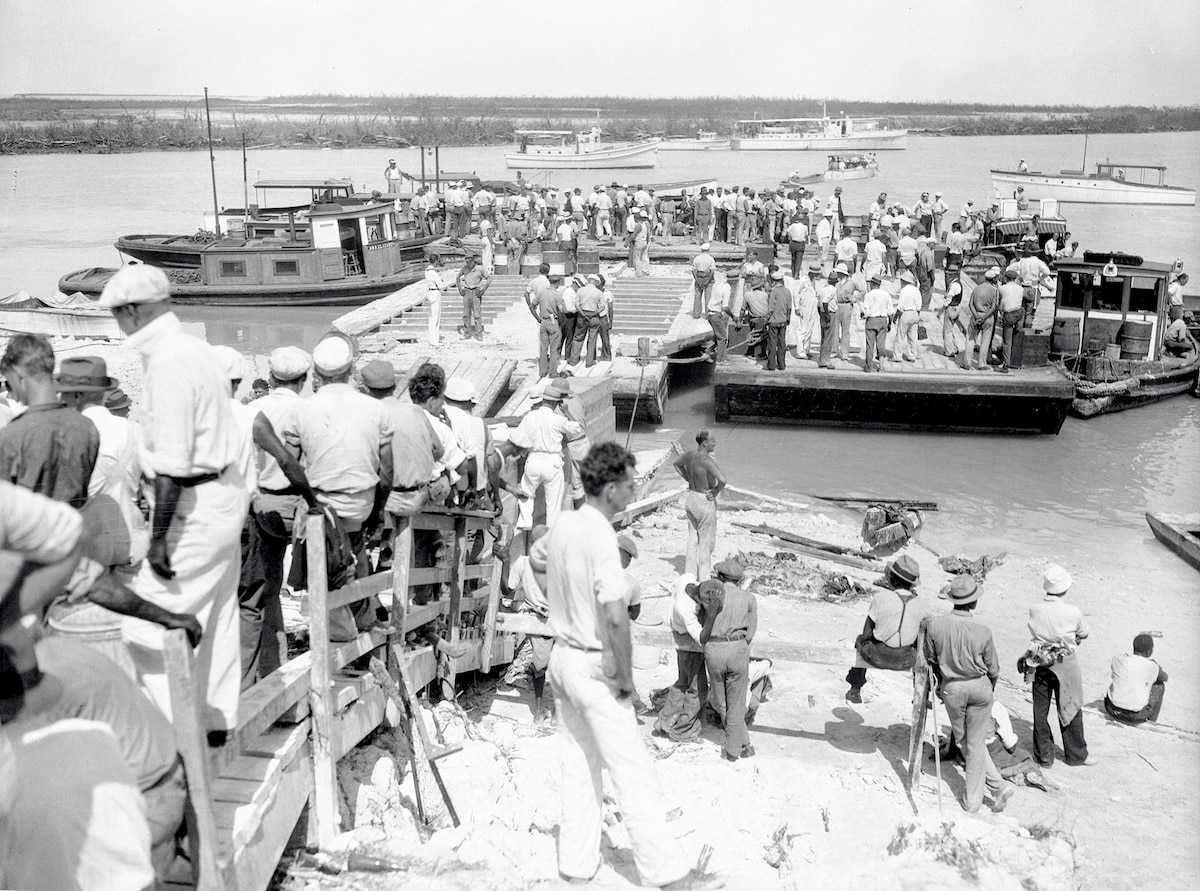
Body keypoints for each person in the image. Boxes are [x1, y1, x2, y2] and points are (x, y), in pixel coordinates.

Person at [546, 442, 710, 889]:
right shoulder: (601, 534)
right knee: (633, 771)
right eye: (631, 484)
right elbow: (617, 615)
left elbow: (539, 563)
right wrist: (624, 674)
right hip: (594, 660)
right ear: (613, 489)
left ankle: (576, 866)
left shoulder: (565, 524)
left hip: (561, 657)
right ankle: (670, 875)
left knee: (579, 766)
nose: (634, 490)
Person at [97, 266, 249, 738]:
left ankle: (166, 733)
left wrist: (160, 540)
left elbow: (172, 467)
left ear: (134, 311)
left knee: (151, 622)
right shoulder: (194, 348)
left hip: (193, 502)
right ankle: (215, 720)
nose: (119, 324)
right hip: (223, 492)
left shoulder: (165, 361)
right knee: (219, 610)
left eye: (119, 315)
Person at [286, 338, 394, 640]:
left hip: (321, 510)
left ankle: (343, 631)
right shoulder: (376, 410)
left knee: (324, 554)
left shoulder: (303, 409)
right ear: (351, 368)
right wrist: (378, 511)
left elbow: (290, 463)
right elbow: (386, 472)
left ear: (317, 373)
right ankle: (365, 618)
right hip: (360, 505)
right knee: (355, 545)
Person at [244, 347, 315, 686]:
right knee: (322, 582)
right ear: (304, 380)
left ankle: (274, 668)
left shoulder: (251, 409)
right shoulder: (310, 410)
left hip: (262, 505)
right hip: (302, 504)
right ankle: (327, 662)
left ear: (270, 378)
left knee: (268, 588)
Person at [924, 575, 1015, 814]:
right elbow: (994, 669)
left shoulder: (936, 624)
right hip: (981, 687)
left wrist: (940, 686)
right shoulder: (983, 630)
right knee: (975, 742)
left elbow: (931, 661)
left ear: (952, 599)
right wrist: (988, 689)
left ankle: (975, 799)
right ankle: (997, 788)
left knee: (967, 742)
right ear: (973, 603)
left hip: (953, 687)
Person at [56, 356, 148, 570]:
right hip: (131, 540)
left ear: (77, 395)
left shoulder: (64, 433)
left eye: (64, 393)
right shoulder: (135, 431)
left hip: (87, 547)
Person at [0, 334, 99, 508]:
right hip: (74, 529)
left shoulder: (11, 436)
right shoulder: (87, 427)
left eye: (9, 382)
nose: (12, 390)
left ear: (18, 374)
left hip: (29, 532)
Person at [1025, 564, 1094, 767]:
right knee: (1070, 705)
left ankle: (1044, 755)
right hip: (1065, 662)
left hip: (1039, 660)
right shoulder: (1072, 611)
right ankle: (1076, 754)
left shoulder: (1035, 609)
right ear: (1065, 588)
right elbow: (1084, 632)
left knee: (1040, 708)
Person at [845, 556, 929, 702]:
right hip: (905, 659)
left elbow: (866, 633)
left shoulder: (881, 598)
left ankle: (855, 688)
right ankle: (919, 693)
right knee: (920, 648)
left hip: (878, 656)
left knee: (861, 640)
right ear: (912, 584)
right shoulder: (922, 605)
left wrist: (863, 641)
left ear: (892, 579)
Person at [509, 382, 584, 533]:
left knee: (526, 491)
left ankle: (525, 522)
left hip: (534, 458)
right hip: (552, 461)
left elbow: (517, 437)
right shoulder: (557, 419)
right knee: (554, 502)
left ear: (543, 400)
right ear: (556, 403)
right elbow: (577, 429)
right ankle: (551, 528)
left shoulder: (531, 416)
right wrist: (567, 412)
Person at [700, 560, 757, 761]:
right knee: (737, 702)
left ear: (720, 577)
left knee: (722, 702)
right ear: (739, 579)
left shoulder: (710, 594)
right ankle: (742, 746)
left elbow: (703, 625)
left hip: (714, 649)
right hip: (737, 649)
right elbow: (750, 633)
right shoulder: (749, 598)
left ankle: (737, 747)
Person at [672, 430, 726, 582]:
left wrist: (688, 477)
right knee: (705, 542)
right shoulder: (706, 460)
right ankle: (704, 579)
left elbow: (676, 464)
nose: (715, 443)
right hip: (704, 501)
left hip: (691, 498)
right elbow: (723, 479)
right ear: (705, 443)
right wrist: (715, 491)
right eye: (713, 441)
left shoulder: (689, 456)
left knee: (692, 540)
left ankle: (689, 576)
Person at [1105, 633, 1168, 724]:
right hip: (1134, 716)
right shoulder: (1152, 666)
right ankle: (1151, 720)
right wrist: (1156, 666)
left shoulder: (1117, 658)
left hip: (1111, 709)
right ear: (1149, 652)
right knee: (1159, 685)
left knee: (1121, 677)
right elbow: (1165, 678)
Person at [670, 574, 707, 704]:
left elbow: (674, 584)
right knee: (695, 686)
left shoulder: (687, 579)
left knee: (684, 680)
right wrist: (712, 614)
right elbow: (700, 638)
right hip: (687, 640)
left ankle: (667, 718)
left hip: (681, 633)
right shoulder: (684, 609)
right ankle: (684, 721)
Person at [526, 265, 564, 378]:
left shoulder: (541, 293)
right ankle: (552, 372)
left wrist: (537, 318)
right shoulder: (557, 295)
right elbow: (561, 311)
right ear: (557, 283)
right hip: (553, 321)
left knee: (543, 348)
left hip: (543, 322)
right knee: (553, 349)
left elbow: (532, 306)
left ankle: (542, 371)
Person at [963, 266, 1000, 370]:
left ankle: (967, 362)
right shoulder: (994, 290)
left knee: (970, 339)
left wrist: (977, 316)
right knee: (985, 341)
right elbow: (994, 307)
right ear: (993, 279)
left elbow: (970, 304)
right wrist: (984, 317)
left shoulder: (976, 288)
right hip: (987, 318)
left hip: (976, 316)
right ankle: (981, 364)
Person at [788, 262, 821, 361]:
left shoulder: (813, 281)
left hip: (812, 307)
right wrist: (797, 307)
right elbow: (795, 293)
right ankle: (800, 352)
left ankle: (806, 349)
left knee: (810, 328)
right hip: (804, 307)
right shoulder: (803, 280)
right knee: (802, 329)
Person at [833, 262, 865, 363]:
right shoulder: (834, 281)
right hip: (836, 305)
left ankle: (845, 352)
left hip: (847, 306)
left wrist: (854, 298)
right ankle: (834, 351)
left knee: (845, 331)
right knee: (835, 329)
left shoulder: (852, 282)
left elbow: (863, 290)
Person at [996, 268, 1026, 372]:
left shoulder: (1001, 288)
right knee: (1017, 334)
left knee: (1007, 341)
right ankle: (1016, 360)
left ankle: (1005, 365)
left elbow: (999, 303)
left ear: (1006, 278)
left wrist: (1000, 313)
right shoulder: (1021, 288)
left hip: (1008, 315)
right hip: (1019, 314)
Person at [455, 256, 492, 341]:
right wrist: (460, 289)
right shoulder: (464, 268)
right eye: (466, 262)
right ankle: (467, 333)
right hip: (467, 291)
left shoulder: (479, 269)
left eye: (469, 262)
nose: (467, 264)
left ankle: (479, 334)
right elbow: (458, 277)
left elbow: (489, 278)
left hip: (476, 291)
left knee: (477, 314)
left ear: (473, 261)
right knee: (466, 314)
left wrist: (483, 290)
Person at [1017, 243, 1052, 327]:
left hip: (1023, 287)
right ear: (1038, 253)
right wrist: (1040, 278)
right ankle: (1027, 330)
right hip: (1033, 288)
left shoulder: (1022, 261)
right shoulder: (1039, 262)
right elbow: (1047, 272)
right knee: (1030, 312)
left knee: (1022, 310)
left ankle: (1019, 330)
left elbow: (1018, 272)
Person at [765, 269, 791, 371]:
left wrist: (766, 319)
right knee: (782, 343)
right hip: (783, 321)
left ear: (773, 281)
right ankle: (781, 364)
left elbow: (771, 308)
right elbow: (789, 307)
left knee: (772, 343)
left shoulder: (774, 292)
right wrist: (788, 318)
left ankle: (771, 365)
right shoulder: (787, 291)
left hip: (774, 321)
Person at [894, 270, 922, 362]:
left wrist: (895, 317)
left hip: (905, 314)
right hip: (915, 313)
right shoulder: (917, 290)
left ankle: (898, 356)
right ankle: (912, 355)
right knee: (913, 337)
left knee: (900, 336)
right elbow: (919, 306)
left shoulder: (904, 291)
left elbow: (900, 306)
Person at [816, 264, 840, 369]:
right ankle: (825, 360)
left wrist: (821, 313)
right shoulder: (833, 290)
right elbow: (825, 301)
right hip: (829, 313)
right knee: (829, 338)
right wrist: (826, 314)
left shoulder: (823, 289)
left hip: (822, 313)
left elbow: (819, 303)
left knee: (823, 337)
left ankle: (822, 358)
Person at [423, 254, 449, 346]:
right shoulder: (433, 272)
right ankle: (434, 340)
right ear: (436, 261)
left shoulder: (427, 271)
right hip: (435, 293)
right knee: (435, 317)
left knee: (432, 316)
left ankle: (432, 338)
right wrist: (442, 282)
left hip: (430, 293)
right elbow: (441, 286)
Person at [941, 280, 968, 362]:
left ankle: (949, 351)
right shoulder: (959, 283)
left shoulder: (954, 285)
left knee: (947, 331)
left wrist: (941, 311)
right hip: (957, 308)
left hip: (951, 308)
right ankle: (954, 347)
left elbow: (948, 299)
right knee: (950, 329)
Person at [691, 243, 716, 319]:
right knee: (708, 297)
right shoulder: (710, 259)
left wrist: (697, 280)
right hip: (707, 277)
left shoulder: (697, 258)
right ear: (708, 250)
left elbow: (693, 270)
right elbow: (712, 271)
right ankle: (707, 314)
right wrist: (708, 281)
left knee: (697, 297)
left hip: (699, 277)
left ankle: (696, 314)